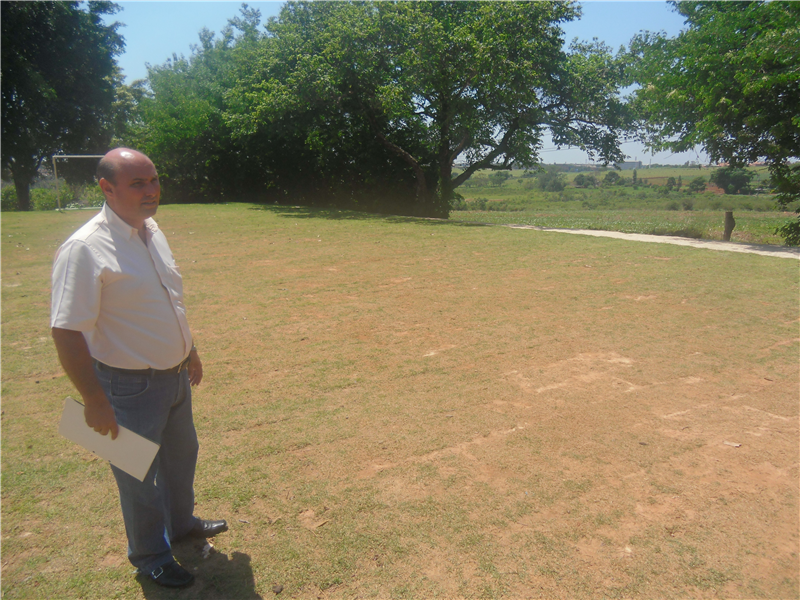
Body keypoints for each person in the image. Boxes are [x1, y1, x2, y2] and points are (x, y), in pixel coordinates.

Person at [51, 148, 226, 588]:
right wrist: (93, 400)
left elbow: (170, 299)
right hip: (126, 387)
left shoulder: (151, 230)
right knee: (137, 476)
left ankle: (182, 523)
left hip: (173, 377)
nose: (151, 191)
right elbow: (67, 331)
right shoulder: (85, 249)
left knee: (182, 455)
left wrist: (191, 349)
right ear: (106, 188)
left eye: (153, 180)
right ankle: (150, 555)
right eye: (137, 184)